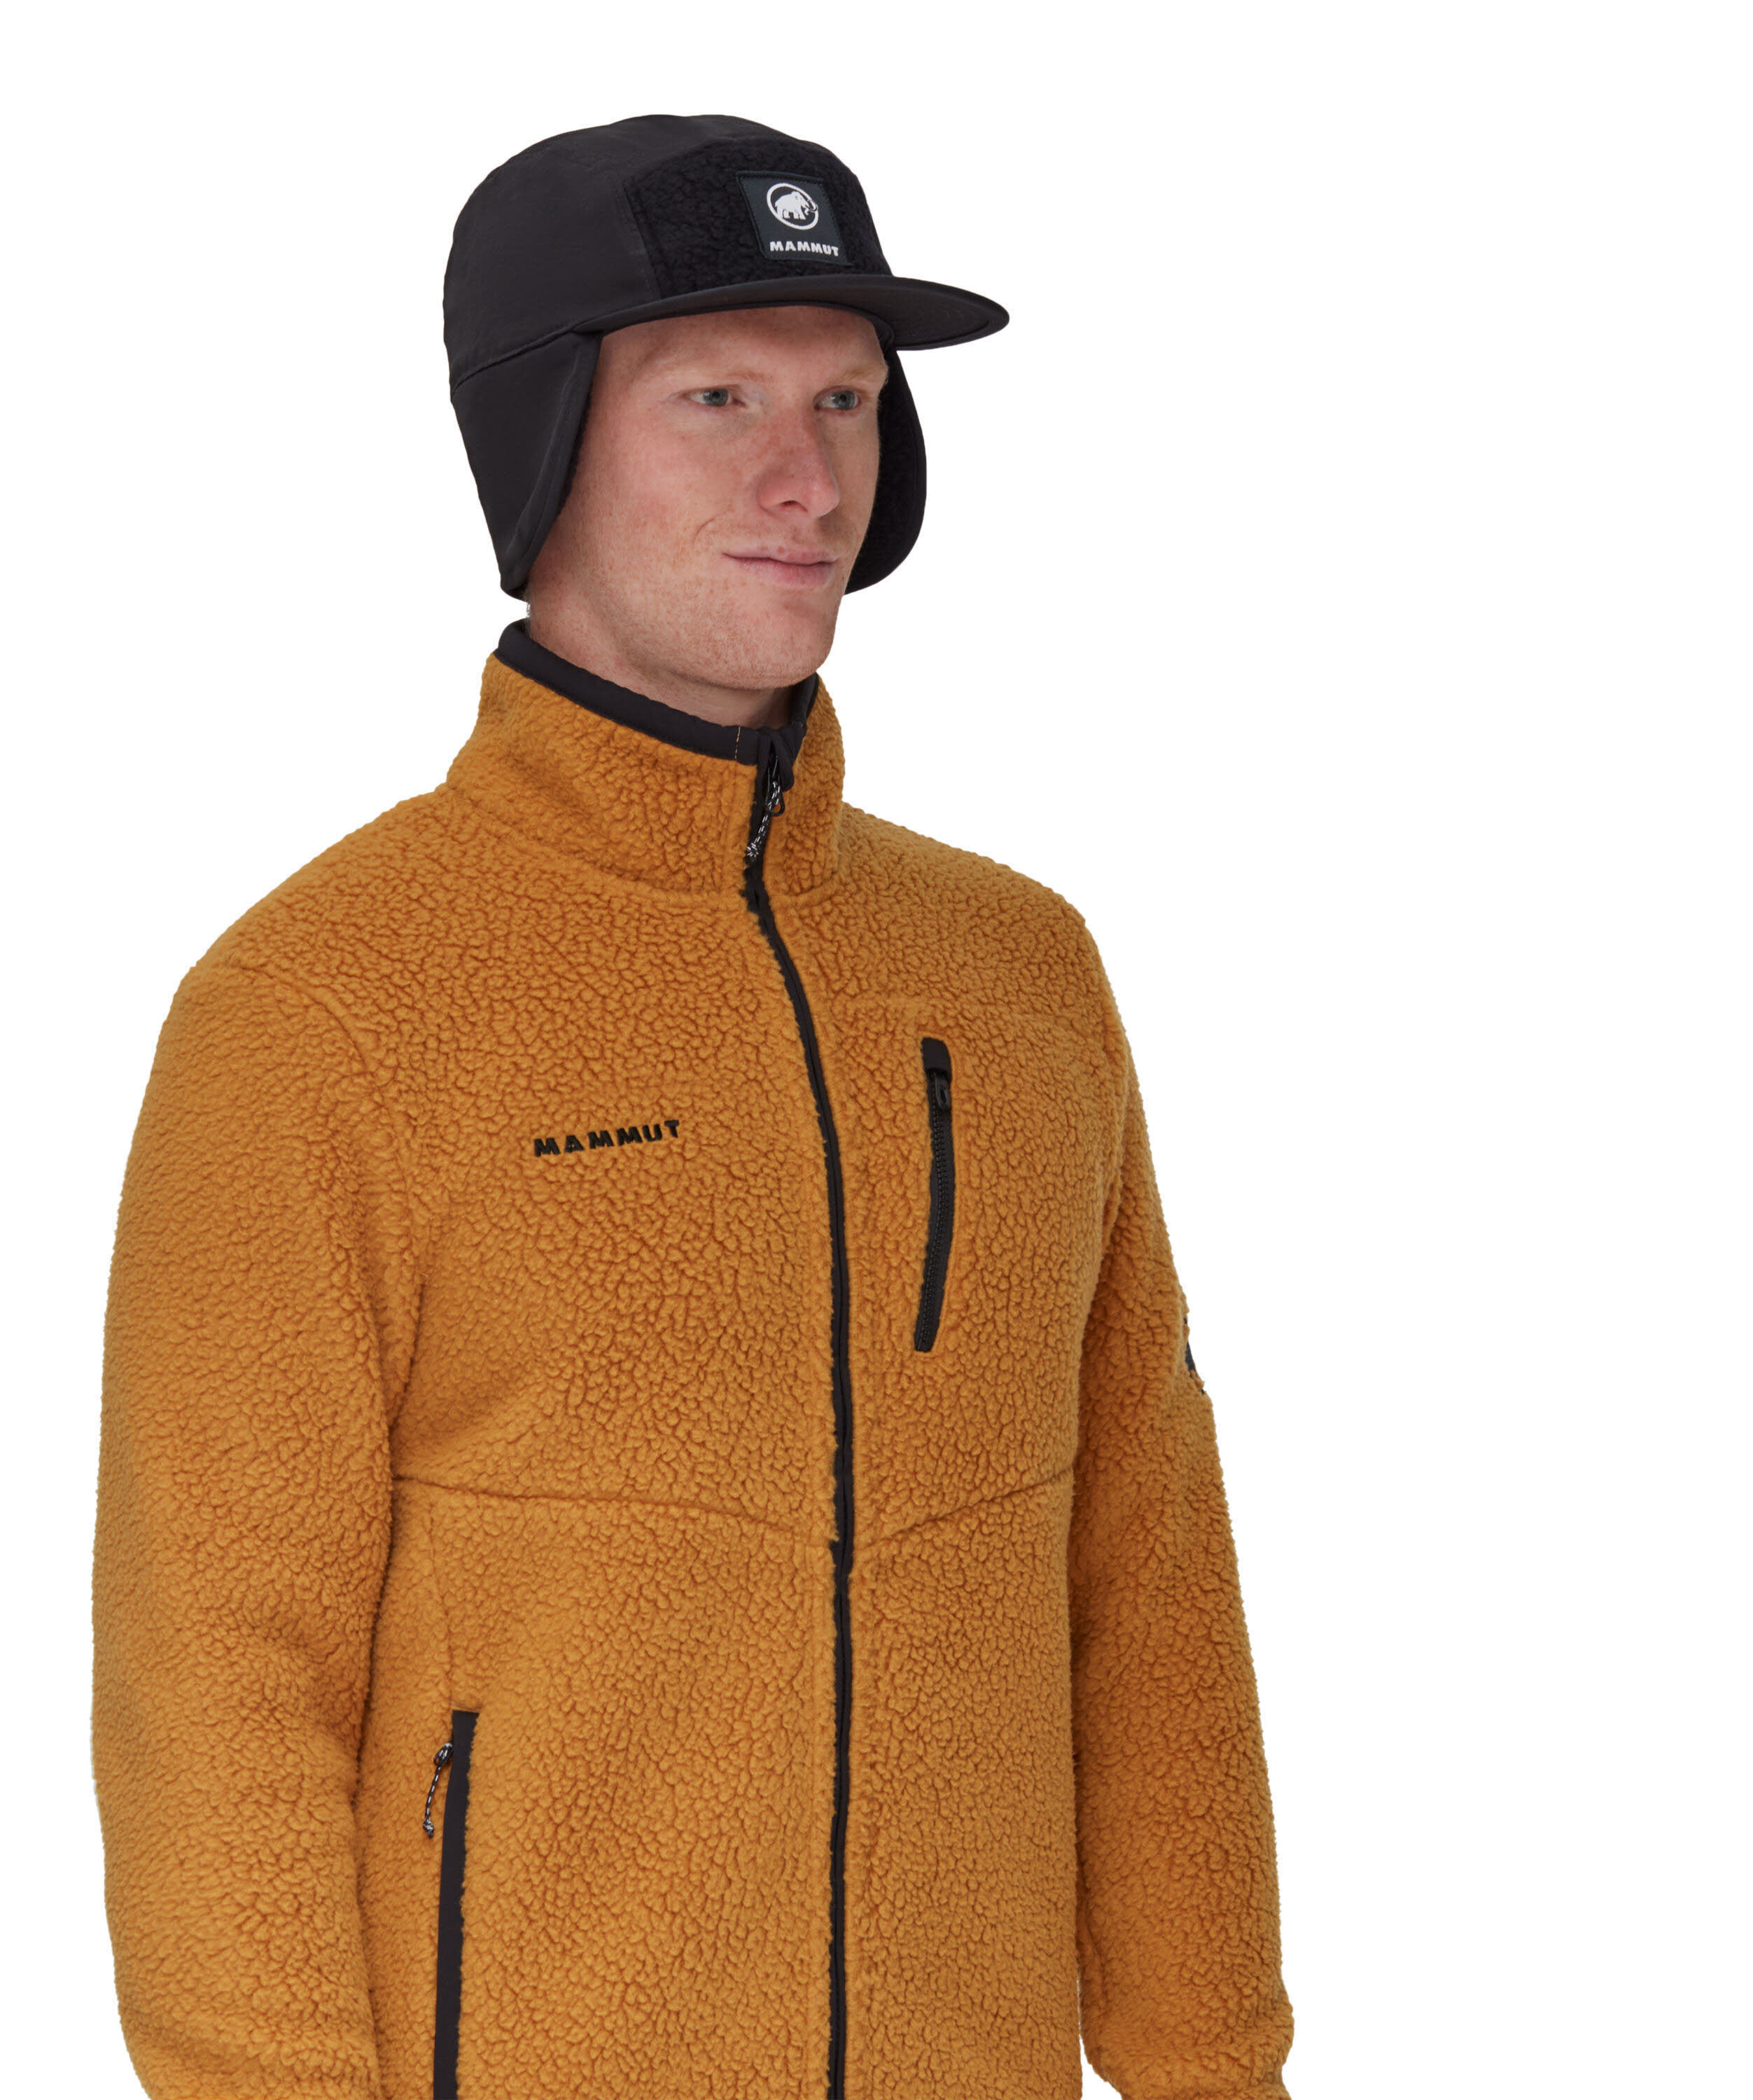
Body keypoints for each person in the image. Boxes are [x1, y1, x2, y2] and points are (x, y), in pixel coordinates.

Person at [92, 112, 1296, 2100]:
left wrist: (1215, 2072)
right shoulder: (323, 1008)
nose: (806, 476)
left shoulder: (1019, 974)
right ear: (546, 437)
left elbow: (1149, 1592)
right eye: (717, 398)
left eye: (848, 400)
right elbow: (218, 1684)